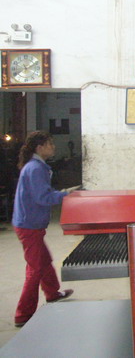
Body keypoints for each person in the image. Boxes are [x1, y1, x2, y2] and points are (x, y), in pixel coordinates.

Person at [12, 131, 78, 327]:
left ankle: (52, 293)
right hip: (29, 225)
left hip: (31, 223)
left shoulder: (37, 166)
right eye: (50, 144)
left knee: (44, 260)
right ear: (39, 148)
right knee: (35, 269)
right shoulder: (35, 168)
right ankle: (23, 315)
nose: (53, 147)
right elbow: (43, 198)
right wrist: (66, 194)